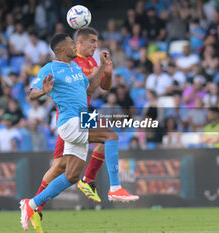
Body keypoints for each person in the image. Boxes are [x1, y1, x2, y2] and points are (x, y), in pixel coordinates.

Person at [20, 33, 135, 232]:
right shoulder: (51, 68)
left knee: (72, 176)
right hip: (70, 121)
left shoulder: (75, 68)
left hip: (82, 117)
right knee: (111, 135)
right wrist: (43, 91)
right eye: (72, 44)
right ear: (62, 49)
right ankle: (115, 188)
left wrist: (102, 67)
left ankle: (31, 204)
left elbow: (90, 88)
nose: (76, 46)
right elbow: (31, 93)